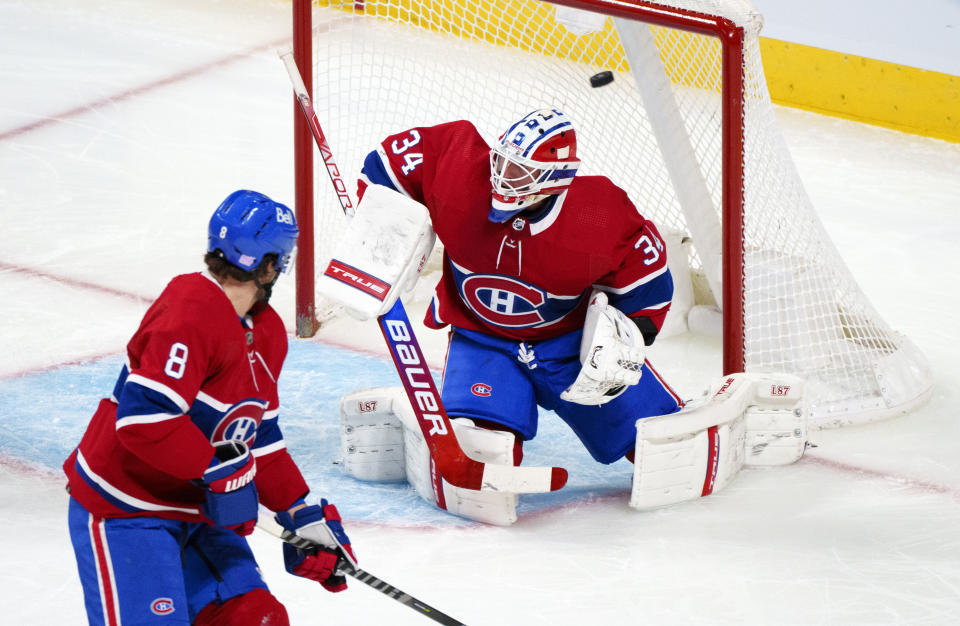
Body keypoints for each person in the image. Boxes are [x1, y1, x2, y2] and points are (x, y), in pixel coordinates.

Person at [350, 108, 684, 521]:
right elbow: (388, 164)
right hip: (482, 336)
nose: (503, 177)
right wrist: (378, 219)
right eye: (502, 161)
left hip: (569, 345)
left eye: (522, 172)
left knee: (657, 442)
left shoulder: (594, 213)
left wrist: (633, 330)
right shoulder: (460, 170)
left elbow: (646, 269)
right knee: (484, 440)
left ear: (556, 180)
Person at [64, 190, 355, 625]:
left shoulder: (267, 330)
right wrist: (218, 470)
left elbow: (259, 436)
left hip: (199, 512)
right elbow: (144, 419)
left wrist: (299, 513)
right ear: (271, 263)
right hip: (127, 509)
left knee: (257, 618)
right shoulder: (189, 311)